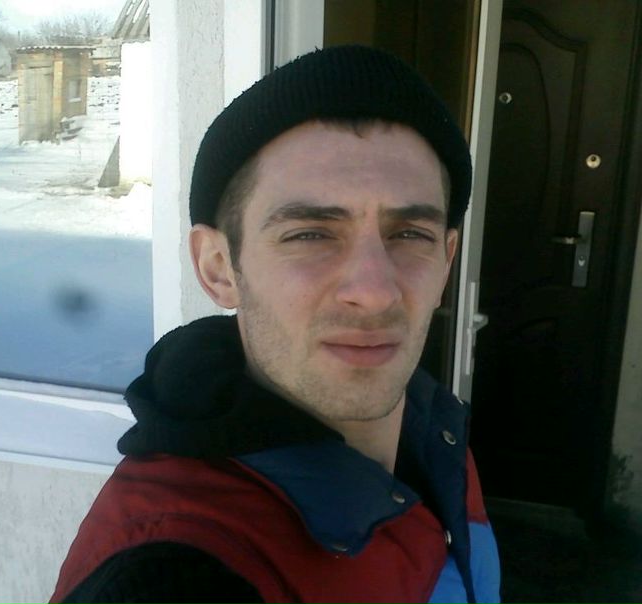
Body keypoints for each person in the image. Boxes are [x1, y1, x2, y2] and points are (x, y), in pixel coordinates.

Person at [50, 45, 501, 604]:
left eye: (410, 234)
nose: (374, 290)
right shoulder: (173, 571)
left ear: (447, 262)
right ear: (219, 269)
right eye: (310, 234)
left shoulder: (437, 434)